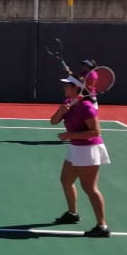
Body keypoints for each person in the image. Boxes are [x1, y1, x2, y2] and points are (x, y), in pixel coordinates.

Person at [50, 76, 111, 237]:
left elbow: (95, 132)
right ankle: (72, 214)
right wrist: (60, 111)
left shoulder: (86, 106)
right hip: (76, 148)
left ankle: (102, 227)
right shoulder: (69, 103)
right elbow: (53, 122)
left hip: (89, 149)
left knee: (89, 188)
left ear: (76, 88)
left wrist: (70, 135)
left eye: (67, 85)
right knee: (66, 180)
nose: (64, 87)